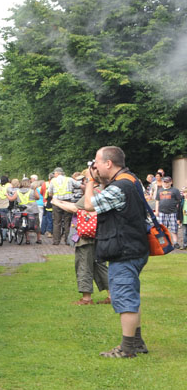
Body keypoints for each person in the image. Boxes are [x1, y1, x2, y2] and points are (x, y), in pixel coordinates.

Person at [81, 146, 149, 358]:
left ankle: (127, 349)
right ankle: (136, 343)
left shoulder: (120, 187)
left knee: (125, 299)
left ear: (108, 163)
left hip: (124, 251)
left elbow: (89, 204)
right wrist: (99, 180)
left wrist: (90, 181)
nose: (94, 166)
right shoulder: (131, 180)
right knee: (131, 296)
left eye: (97, 162)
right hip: (134, 248)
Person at [53, 170, 108, 305]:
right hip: (99, 233)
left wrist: (56, 202)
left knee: (83, 264)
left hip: (87, 236)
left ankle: (86, 298)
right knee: (99, 265)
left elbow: (75, 208)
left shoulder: (93, 192)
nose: (81, 183)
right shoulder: (103, 191)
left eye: (83, 180)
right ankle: (112, 295)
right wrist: (62, 201)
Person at [46, 167, 80, 245]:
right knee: (68, 221)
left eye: (54, 173)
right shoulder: (69, 179)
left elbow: (50, 193)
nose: (54, 175)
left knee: (56, 222)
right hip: (67, 202)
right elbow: (79, 185)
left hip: (57, 203)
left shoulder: (53, 181)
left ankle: (56, 241)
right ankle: (67, 241)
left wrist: (54, 196)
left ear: (57, 173)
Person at [155, 175, 182, 247]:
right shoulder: (159, 190)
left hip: (173, 212)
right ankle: (162, 243)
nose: (166, 183)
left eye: (167, 182)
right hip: (161, 212)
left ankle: (175, 243)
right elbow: (157, 201)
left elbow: (179, 201)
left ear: (171, 182)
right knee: (161, 228)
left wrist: (178, 211)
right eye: (164, 182)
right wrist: (156, 211)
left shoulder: (175, 190)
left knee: (174, 228)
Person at [14, 178, 41, 244]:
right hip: (33, 209)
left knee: (25, 224)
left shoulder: (18, 191)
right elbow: (38, 198)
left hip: (23, 210)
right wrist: (35, 189)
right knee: (36, 224)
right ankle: (38, 239)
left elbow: (13, 199)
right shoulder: (32, 190)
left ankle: (27, 239)